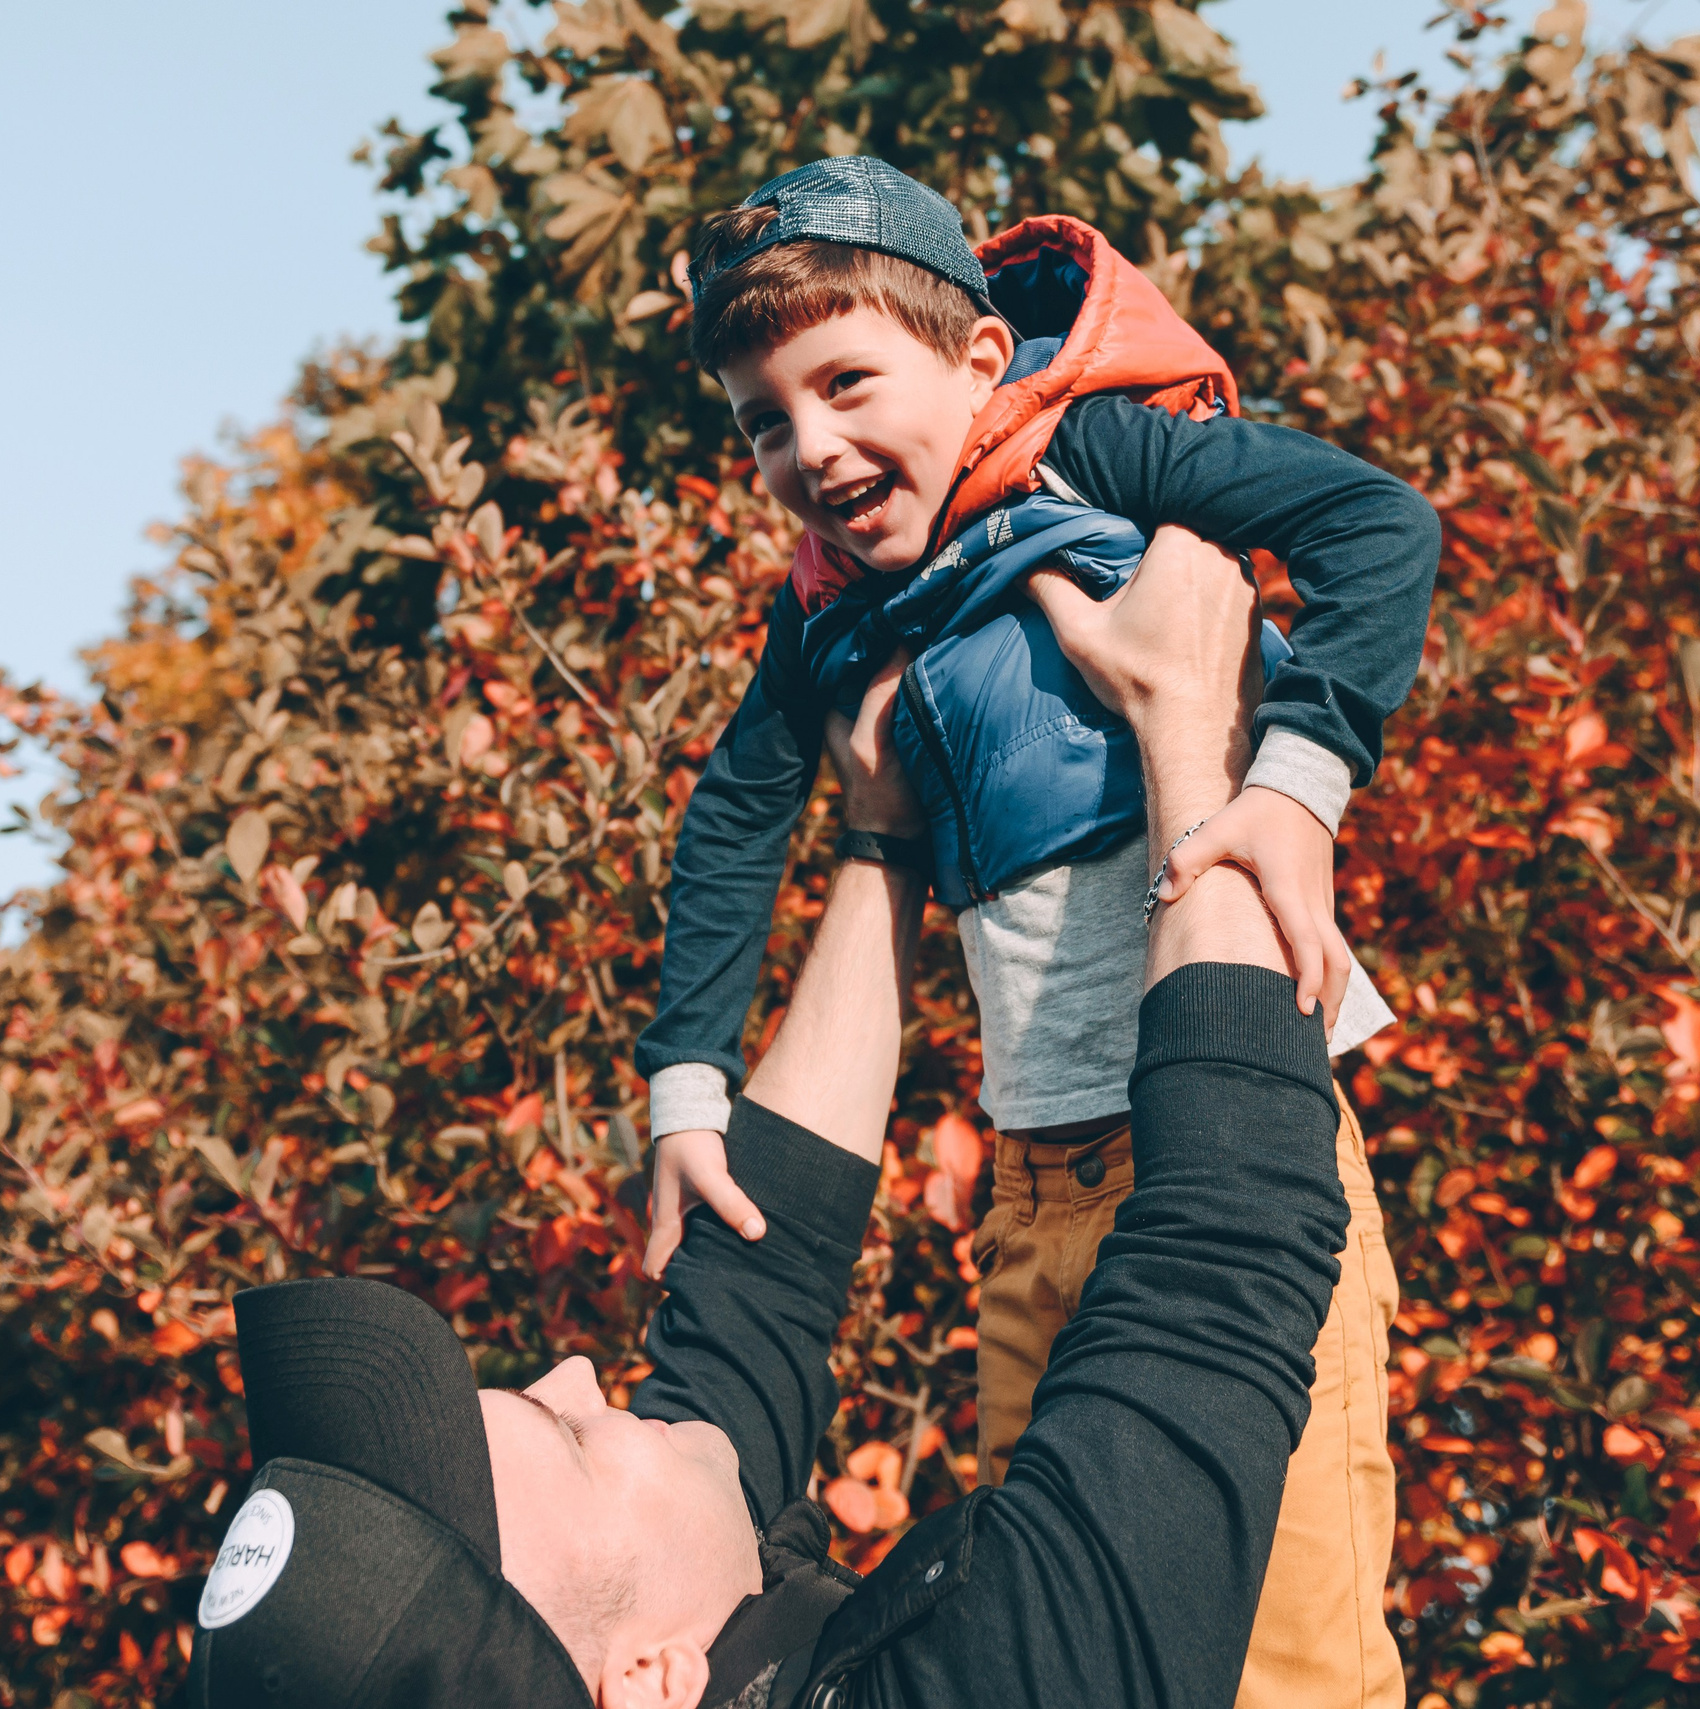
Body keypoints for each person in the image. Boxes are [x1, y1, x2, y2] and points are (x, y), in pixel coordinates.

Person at [185, 531, 1354, 1709]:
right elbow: (1229, 1242)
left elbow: (761, 1288)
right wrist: (1193, 726)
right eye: (579, 1437)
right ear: (646, 1678)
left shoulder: (702, 1636)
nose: (589, 1371)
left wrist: (880, 834)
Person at [635, 157, 1433, 1704]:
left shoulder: (1098, 455)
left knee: (1287, 1666)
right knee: (1061, 1630)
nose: (815, 446)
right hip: (1032, 1189)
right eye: (765, 421)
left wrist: (1298, 785)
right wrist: (685, 1090)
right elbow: (733, 821)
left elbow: (1374, 525)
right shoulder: (828, 616)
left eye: (848, 382)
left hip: (1216, 1159)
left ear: (981, 357)